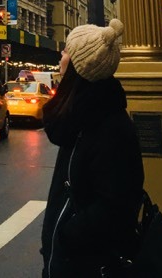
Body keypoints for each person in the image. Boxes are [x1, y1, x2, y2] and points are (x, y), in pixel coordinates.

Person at [40, 19, 144, 278]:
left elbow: (115, 205)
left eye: (66, 51)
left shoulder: (109, 127)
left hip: (87, 266)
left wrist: (66, 236)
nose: (61, 57)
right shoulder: (82, 118)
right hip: (69, 261)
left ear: (79, 66)